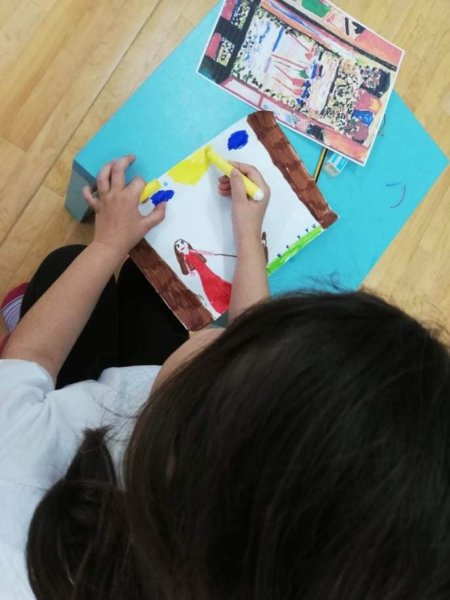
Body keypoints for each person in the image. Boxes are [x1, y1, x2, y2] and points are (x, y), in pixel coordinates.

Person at [0, 156, 449, 600]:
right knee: (154, 281)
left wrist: (106, 245)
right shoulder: (242, 540)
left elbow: (32, 356)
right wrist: (248, 236)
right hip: (135, 405)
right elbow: (258, 377)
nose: (224, 333)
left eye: (227, 354)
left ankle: (26, 308)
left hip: (65, 418)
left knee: (67, 264)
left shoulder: (14, 468)